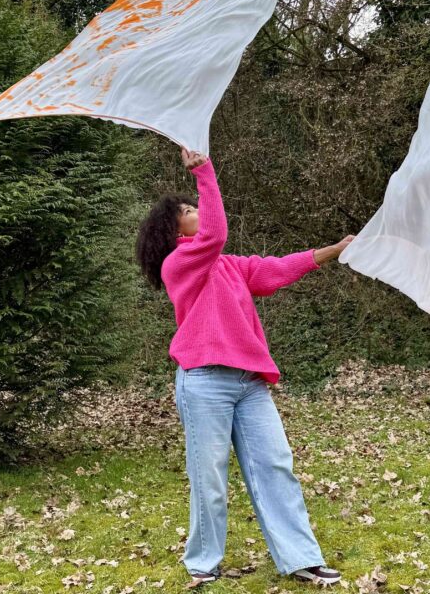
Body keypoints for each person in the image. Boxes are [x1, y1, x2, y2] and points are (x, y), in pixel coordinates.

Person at [136, 147, 354, 586]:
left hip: (249, 384)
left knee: (275, 466)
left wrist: (335, 250)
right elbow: (215, 233)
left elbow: (276, 269)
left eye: (194, 206)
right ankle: (202, 565)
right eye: (187, 210)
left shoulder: (229, 266)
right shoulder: (178, 264)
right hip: (204, 383)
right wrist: (203, 170)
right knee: (210, 477)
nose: (196, 211)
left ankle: (301, 560)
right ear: (171, 227)